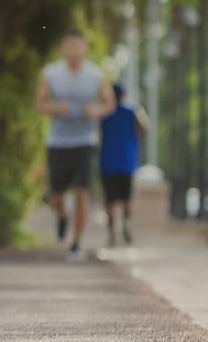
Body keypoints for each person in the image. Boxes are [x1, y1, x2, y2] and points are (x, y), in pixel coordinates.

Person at [36, 30, 113, 260]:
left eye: (77, 46)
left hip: (85, 141)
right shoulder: (51, 73)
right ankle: (61, 215)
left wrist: (96, 111)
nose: (73, 50)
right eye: (68, 45)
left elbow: (109, 103)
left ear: (84, 48)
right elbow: (40, 103)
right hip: (58, 142)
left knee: (82, 191)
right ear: (62, 48)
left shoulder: (95, 75)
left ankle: (76, 243)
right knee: (56, 195)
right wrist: (56, 109)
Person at [98, 83, 149, 247]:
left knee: (109, 200)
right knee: (126, 198)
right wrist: (135, 143)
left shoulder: (103, 113)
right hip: (126, 161)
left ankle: (112, 231)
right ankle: (125, 222)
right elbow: (144, 127)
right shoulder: (132, 111)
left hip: (108, 161)